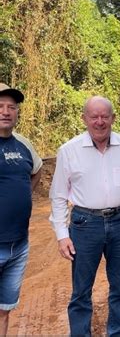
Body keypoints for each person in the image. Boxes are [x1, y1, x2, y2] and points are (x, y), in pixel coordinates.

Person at [49, 96, 120, 336]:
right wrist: (62, 234)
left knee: (119, 286)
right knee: (81, 290)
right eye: (94, 116)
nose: (100, 121)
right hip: (85, 224)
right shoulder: (69, 150)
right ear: (84, 118)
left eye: (105, 116)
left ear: (113, 118)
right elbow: (59, 195)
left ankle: (117, 332)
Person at [0, 83, 42, 335]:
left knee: (4, 309)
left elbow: (36, 171)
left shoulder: (24, 144)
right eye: (0, 106)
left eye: (11, 107)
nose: (6, 111)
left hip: (19, 244)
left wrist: (23, 194)